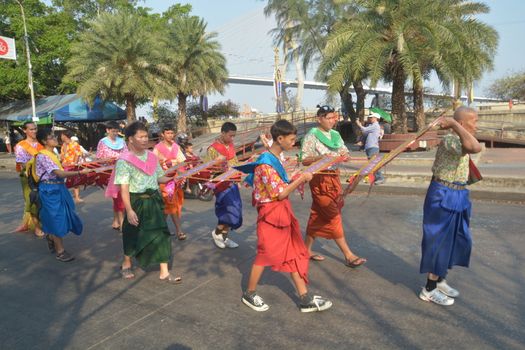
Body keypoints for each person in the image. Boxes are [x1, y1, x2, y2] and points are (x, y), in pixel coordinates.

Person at [236, 120, 333, 313]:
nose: (294, 143)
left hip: (281, 211)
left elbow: (282, 183)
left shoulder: (275, 157)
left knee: (293, 253)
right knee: (265, 254)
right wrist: (301, 178)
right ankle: (250, 292)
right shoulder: (265, 163)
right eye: (291, 139)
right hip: (271, 213)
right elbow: (280, 193)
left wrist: (296, 174)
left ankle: (304, 297)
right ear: (280, 138)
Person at [418, 107, 482, 306]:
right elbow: (475, 148)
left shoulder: (460, 138)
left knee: (457, 238)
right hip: (443, 194)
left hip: (458, 193)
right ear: (462, 124)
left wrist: (457, 125)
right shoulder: (451, 139)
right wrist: (454, 124)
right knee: (439, 241)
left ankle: (440, 279)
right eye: (474, 122)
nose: (477, 125)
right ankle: (428, 289)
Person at [110, 121, 181, 282]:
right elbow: (124, 188)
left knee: (161, 233)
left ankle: (164, 271)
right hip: (136, 202)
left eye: (146, 136)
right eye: (140, 137)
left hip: (154, 200)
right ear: (130, 139)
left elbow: (159, 177)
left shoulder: (151, 156)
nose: (144, 139)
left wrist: (175, 178)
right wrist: (128, 210)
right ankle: (126, 263)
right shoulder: (124, 161)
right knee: (132, 234)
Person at [301, 105, 366, 267]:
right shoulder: (311, 136)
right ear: (319, 119)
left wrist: (345, 156)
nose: (332, 121)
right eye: (328, 118)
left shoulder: (336, 134)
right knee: (333, 215)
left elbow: (345, 153)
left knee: (317, 215)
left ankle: (305, 250)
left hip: (334, 177)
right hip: (319, 179)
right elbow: (304, 160)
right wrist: (320, 158)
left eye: (334, 118)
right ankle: (348, 255)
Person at [34, 128, 93, 262]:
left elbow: (62, 169)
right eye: (51, 137)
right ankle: (60, 251)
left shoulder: (52, 153)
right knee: (56, 218)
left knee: (64, 215)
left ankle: (51, 237)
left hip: (59, 188)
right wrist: (80, 173)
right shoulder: (43, 155)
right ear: (44, 141)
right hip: (50, 190)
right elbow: (59, 173)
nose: (55, 139)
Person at [206, 122, 242, 249]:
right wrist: (218, 164)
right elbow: (208, 169)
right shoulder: (212, 149)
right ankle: (216, 233)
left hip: (232, 183)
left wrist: (239, 177)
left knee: (236, 209)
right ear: (223, 133)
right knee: (228, 211)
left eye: (234, 136)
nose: (232, 139)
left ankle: (224, 237)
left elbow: (236, 163)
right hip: (221, 185)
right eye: (230, 136)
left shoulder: (230, 146)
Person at [153, 124, 187, 240]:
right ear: (162, 134)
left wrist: (182, 176)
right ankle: (179, 230)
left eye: (172, 133)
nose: (170, 135)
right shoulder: (157, 148)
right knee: (171, 204)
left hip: (175, 180)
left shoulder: (176, 147)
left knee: (167, 206)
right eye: (168, 133)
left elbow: (182, 163)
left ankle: (160, 228)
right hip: (164, 180)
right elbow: (153, 164)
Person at [14, 121, 44, 237]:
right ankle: (36, 228)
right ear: (25, 131)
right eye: (31, 129)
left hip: (43, 176)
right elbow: (22, 164)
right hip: (28, 178)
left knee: (44, 200)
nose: (34, 131)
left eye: (35, 129)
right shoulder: (21, 146)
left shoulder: (41, 143)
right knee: (32, 201)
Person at [96, 121, 128, 230]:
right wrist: (107, 160)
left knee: (118, 196)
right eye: (113, 131)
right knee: (118, 196)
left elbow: (127, 155)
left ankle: (116, 221)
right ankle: (122, 222)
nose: (115, 133)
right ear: (107, 130)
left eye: (117, 131)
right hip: (109, 173)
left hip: (122, 170)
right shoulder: (102, 142)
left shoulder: (122, 141)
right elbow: (99, 159)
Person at [356, 112, 385, 185]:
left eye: (371, 117)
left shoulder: (375, 125)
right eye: (370, 117)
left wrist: (358, 124)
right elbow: (364, 132)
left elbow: (364, 130)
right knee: (372, 164)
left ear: (376, 118)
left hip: (373, 147)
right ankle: (376, 177)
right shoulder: (372, 126)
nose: (370, 119)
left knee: (374, 163)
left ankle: (380, 178)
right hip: (369, 147)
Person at [60, 130, 84, 202]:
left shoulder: (74, 144)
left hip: (72, 165)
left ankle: (77, 197)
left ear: (64, 135)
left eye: (61, 135)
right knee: (63, 182)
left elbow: (78, 154)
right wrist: (61, 161)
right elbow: (62, 155)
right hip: (64, 165)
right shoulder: (63, 144)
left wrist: (75, 163)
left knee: (75, 182)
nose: (61, 137)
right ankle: (64, 197)